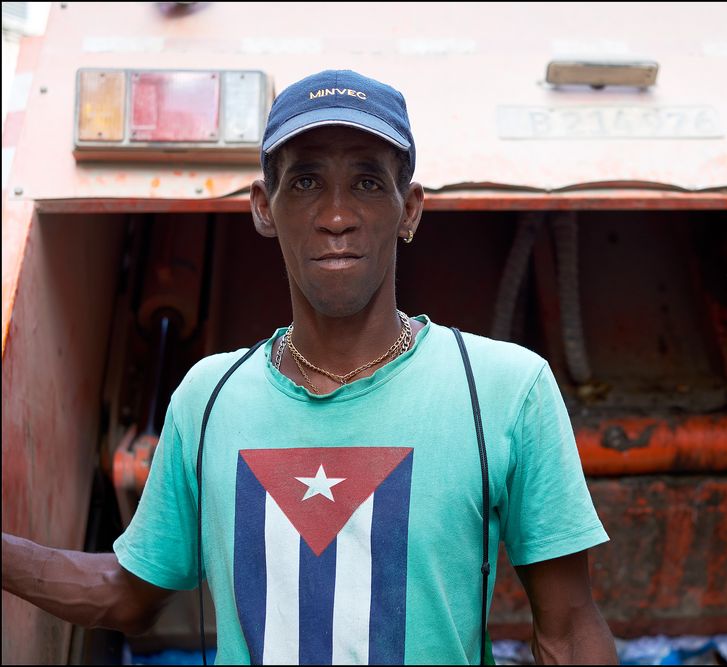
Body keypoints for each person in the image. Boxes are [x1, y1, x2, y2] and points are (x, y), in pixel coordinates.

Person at [1, 69, 617, 665]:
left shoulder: (507, 390)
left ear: (411, 210)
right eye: (305, 183)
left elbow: (567, 633)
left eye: (369, 183)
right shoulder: (207, 397)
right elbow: (127, 592)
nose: (337, 215)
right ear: (264, 208)